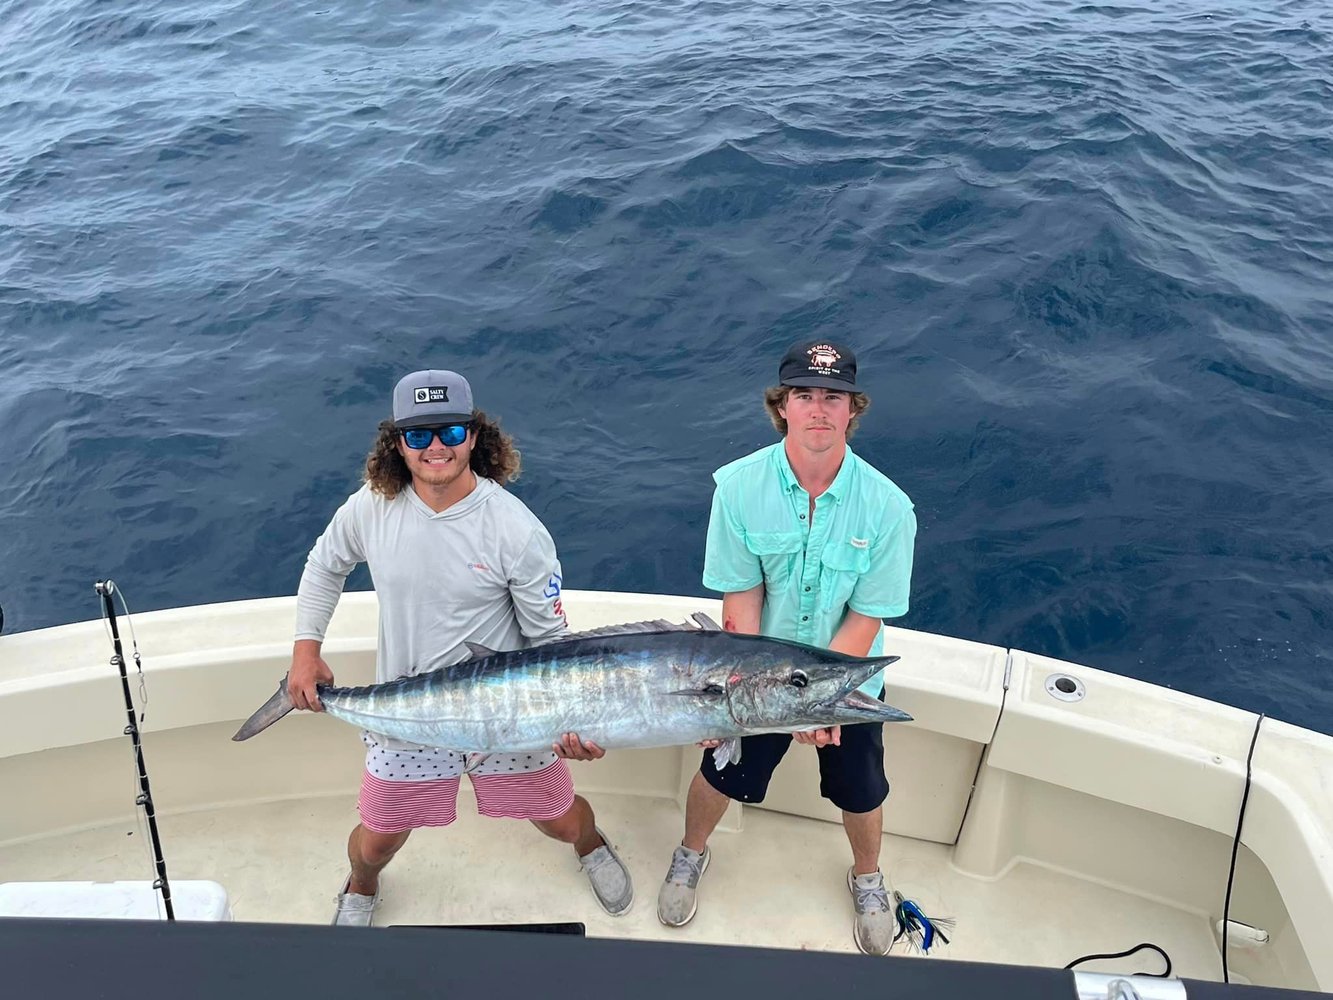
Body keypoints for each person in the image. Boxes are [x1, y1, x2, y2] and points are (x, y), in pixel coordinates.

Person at [288, 369, 633, 926]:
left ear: (474, 435)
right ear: (397, 443)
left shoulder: (515, 529)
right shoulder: (370, 508)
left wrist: (579, 721)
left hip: (511, 718)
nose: (435, 448)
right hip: (410, 715)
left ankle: (591, 846)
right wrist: (306, 651)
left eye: (449, 431)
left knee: (559, 819)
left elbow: (549, 646)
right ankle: (360, 883)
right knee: (378, 840)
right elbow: (325, 565)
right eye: (418, 435)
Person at [656, 340, 916, 955]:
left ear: (854, 408)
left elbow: (867, 616)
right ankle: (690, 853)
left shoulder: (888, 506)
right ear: (783, 406)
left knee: (863, 790)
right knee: (720, 774)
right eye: (806, 395)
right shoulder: (738, 488)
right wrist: (746, 702)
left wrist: (820, 703)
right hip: (750, 680)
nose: (819, 409)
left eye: (834, 397)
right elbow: (740, 606)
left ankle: (868, 877)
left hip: (845, 680)